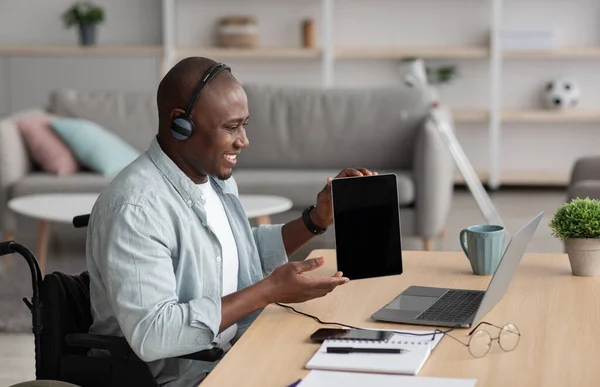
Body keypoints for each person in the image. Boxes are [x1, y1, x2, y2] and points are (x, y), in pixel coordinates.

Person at [85, 57, 376, 386]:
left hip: (240, 350)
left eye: (244, 125)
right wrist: (268, 291)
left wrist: (315, 219)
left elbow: (234, 253)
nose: (243, 141)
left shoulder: (214, 180)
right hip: (185, 379)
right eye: (230, 127)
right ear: (181, 124)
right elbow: (154, 334)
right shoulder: (135, 209)